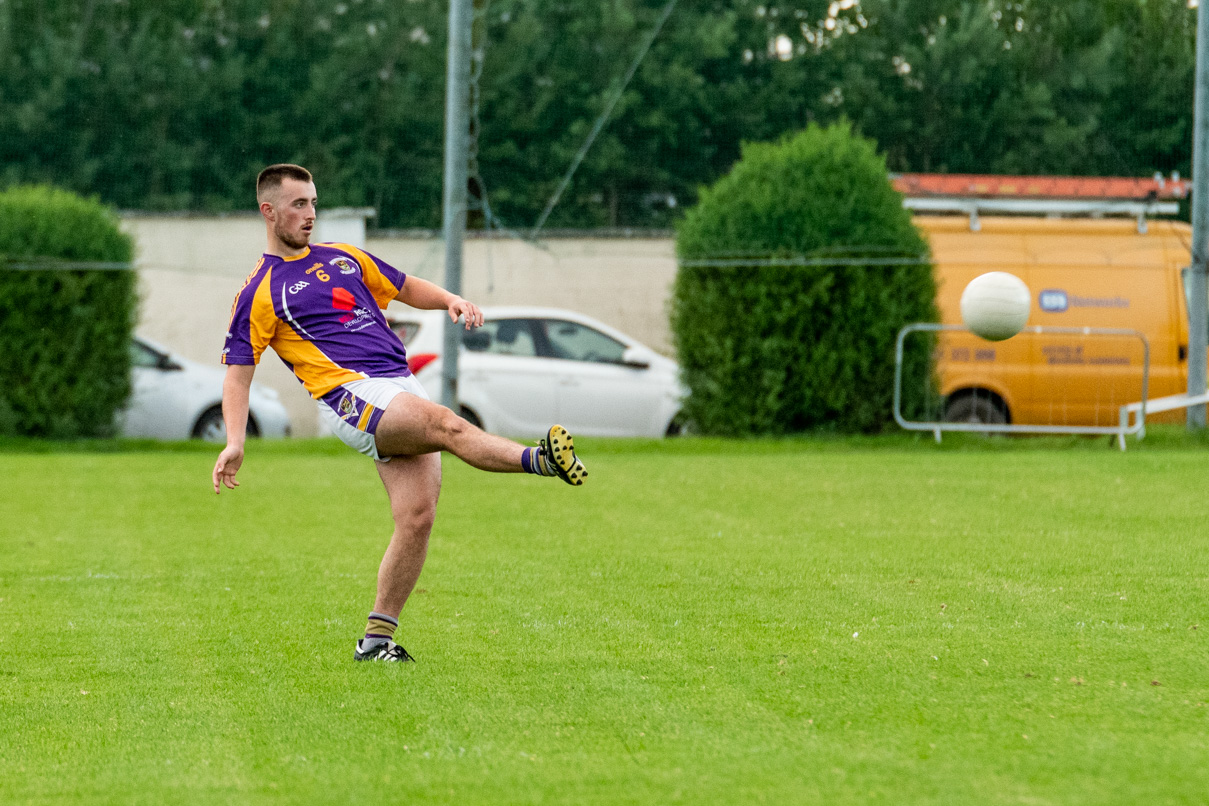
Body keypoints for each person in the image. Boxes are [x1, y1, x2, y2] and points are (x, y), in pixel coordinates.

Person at [211, 164, 586, 663]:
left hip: (396, 384)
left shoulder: (344, 257)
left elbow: (406, 286)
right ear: (269, 211)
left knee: (416, 517)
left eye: (314, 203)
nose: (310, 215)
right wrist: (235, 440)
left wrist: (450, 299)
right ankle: (542, 459)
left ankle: (375, 642)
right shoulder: (260, 290)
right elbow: (239, 373)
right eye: (299, 205)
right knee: (445, 424)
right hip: (350, 395)